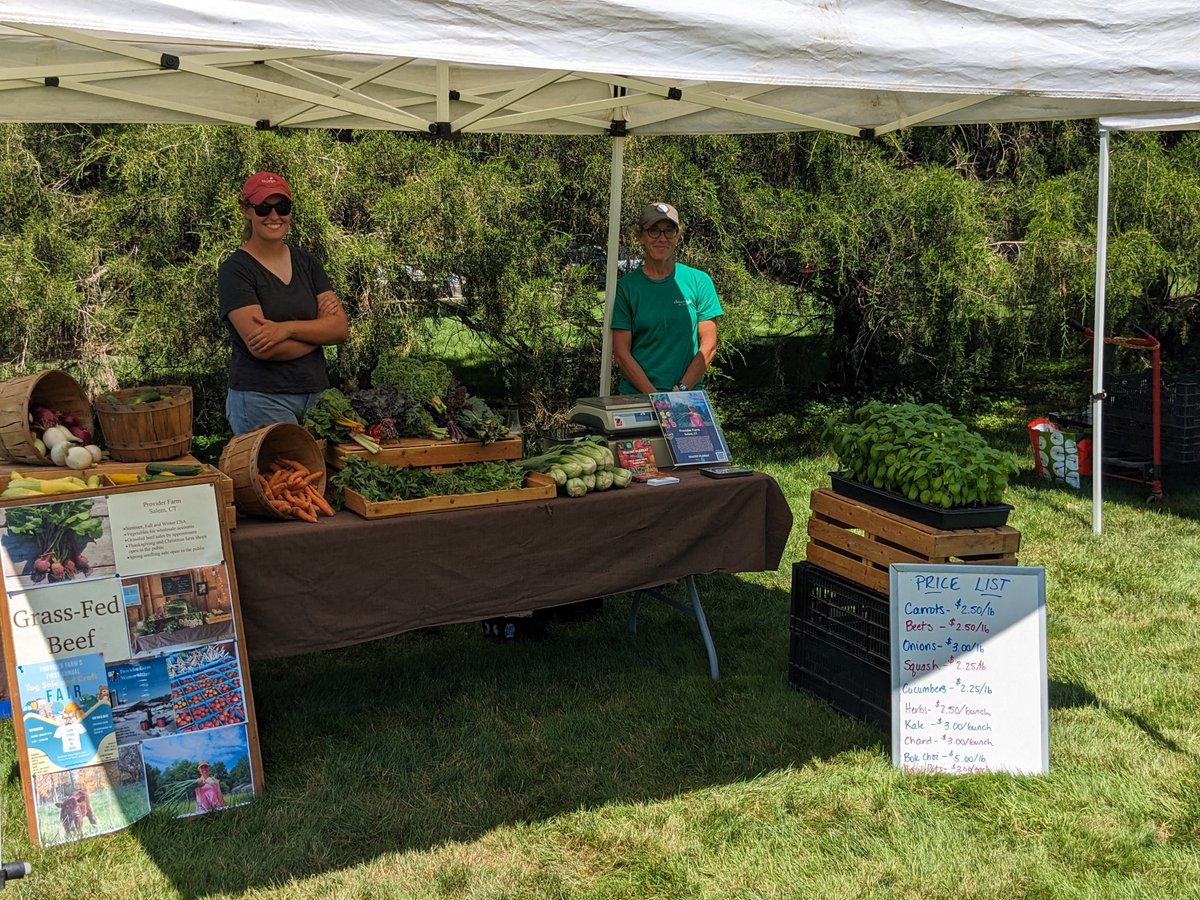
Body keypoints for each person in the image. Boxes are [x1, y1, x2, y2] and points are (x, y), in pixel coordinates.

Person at [218, 171, 349, 435]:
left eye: (283, 207)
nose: (274, 216)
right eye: (264, 207)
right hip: (261, 399)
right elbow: (263, 347)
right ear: (246, 210)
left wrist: (285, 330)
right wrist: (318, 330)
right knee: (279, 477)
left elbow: (340, 330)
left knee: (315, 477)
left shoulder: (307, 263)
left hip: (317, 398)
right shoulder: (236, 270)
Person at [611, 202, 723, 395]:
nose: (661, 238)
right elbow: (621, 353)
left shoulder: (699, 281)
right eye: (653, 231)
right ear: (641, 236)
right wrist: (656, 397)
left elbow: (709, 346)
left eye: (669, 231)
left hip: (686, 397)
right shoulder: (626, 288)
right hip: (638, 398)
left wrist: (681, 390)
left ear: (678, 236)